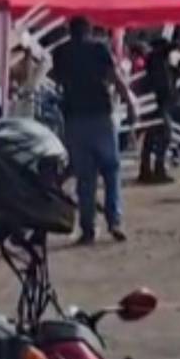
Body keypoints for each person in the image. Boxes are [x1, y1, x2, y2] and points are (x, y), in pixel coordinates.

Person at [53, 17, 137, 244]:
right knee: (110, 170)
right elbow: (114, 78)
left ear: (70, 31)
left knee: (85, 178)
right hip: (100, 116)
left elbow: (58, 81)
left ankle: (88, 228)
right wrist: (130, 104)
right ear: (89, 30)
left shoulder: (61, 52)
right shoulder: (99, 48)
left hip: (74, 119)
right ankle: (114, 221)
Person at [139, 38, 176, 184]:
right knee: (165, 135)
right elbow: (161, 85)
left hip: (156, 103)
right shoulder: (156, 60)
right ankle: (158, 169)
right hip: (157, 103)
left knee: (151, 137)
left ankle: (146, 170)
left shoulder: (157, 61)